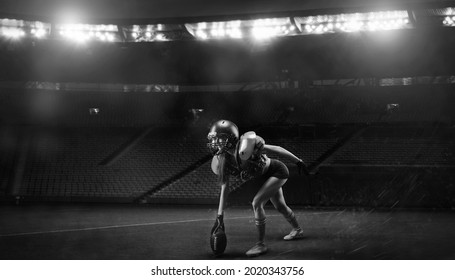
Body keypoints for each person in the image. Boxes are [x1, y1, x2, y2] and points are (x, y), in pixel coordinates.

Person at [207, 119, 309, 257]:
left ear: (231, 138)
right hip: (265, 177)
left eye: (220, 139)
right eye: (214, 139)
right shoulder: (223, 160)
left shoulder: (246, 146)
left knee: (257, 202)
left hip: (276, 171)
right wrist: (219, 216)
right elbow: (224, 188)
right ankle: (298, 230)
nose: (216, 143)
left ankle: (260, 244)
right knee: (280, 206)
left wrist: (298, 161)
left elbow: (275, 148)